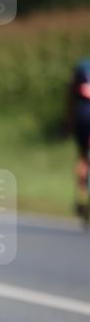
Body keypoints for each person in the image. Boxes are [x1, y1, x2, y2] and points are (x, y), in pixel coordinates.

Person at [65, 58, 90, 221]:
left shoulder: (82, 66)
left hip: (82, 114)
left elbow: (70, 94)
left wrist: (68, 121)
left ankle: (81, 196)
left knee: (82, 156)